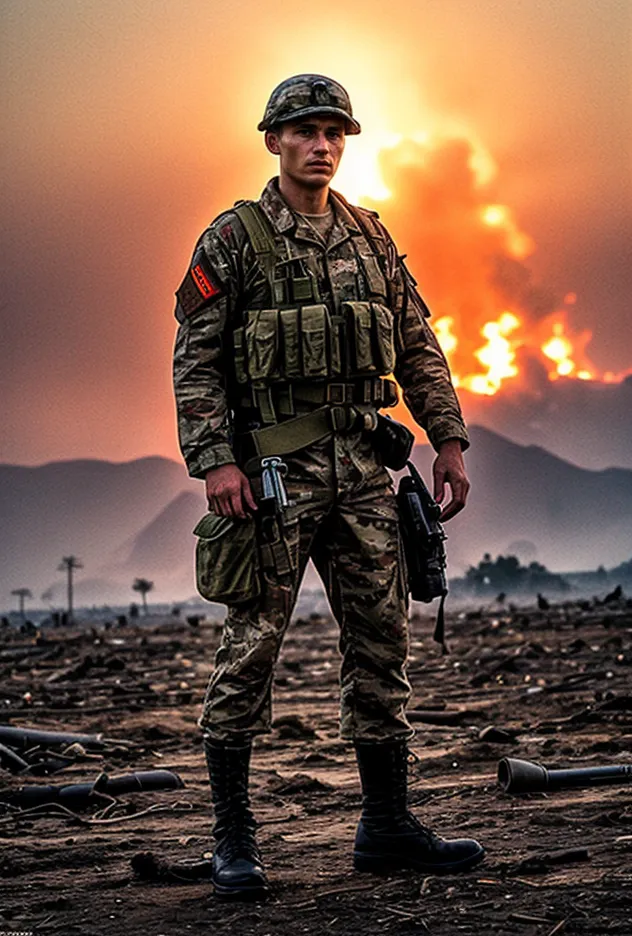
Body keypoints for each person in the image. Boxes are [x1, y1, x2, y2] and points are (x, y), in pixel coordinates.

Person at [172, 74, 485, 898]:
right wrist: (215, 461)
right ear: (273, 140)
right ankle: (233, 837)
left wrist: (448, 439)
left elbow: (417, 343)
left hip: (364, 477)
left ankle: (385, 828)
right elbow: (196, 361)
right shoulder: (233, 240)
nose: (321, 144)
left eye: (334, 131)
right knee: (253, 647)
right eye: (304, 131)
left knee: (383, 645)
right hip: (272, 480)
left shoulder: (371, 239)